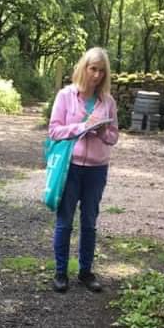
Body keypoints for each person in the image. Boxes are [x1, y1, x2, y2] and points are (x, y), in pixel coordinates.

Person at [47, 47, 119, 293]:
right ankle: (60, 272)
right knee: (64, 221)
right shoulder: (66, 95)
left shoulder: (108, 101)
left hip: (97, 169)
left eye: (101, 71)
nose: (97, 75)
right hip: (71, 167)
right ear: (84, 68)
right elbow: (54, 130)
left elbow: (114, 136)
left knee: (89, 222)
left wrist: (102, 131)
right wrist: (79, 127)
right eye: (93, 69)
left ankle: (86, 272)